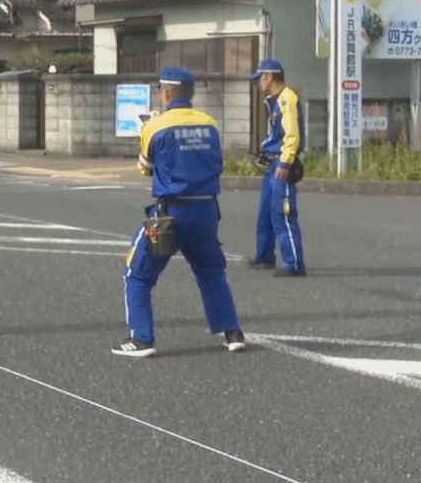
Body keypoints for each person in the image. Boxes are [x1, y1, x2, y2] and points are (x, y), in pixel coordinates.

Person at [115, 67, 245, 358]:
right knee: (211, 271)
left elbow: (145, 167)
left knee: (137, 274)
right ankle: (232, 333)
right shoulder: (210, 124)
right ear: (192, 93)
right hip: (207, 209)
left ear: (165, 93)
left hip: (170, 213)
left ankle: (141, 338)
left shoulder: (156, 127)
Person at [249, 58, 306, 276]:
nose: (259, 83)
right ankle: (264, 255)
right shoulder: (274, 100)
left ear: (269, 76)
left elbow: (292, 135)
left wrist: (285, 162)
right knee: (265, 213)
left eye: (260, 78)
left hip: (282, 164)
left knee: (283, 213)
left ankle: (294, 264)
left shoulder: (286, 99)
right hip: (271, 163)